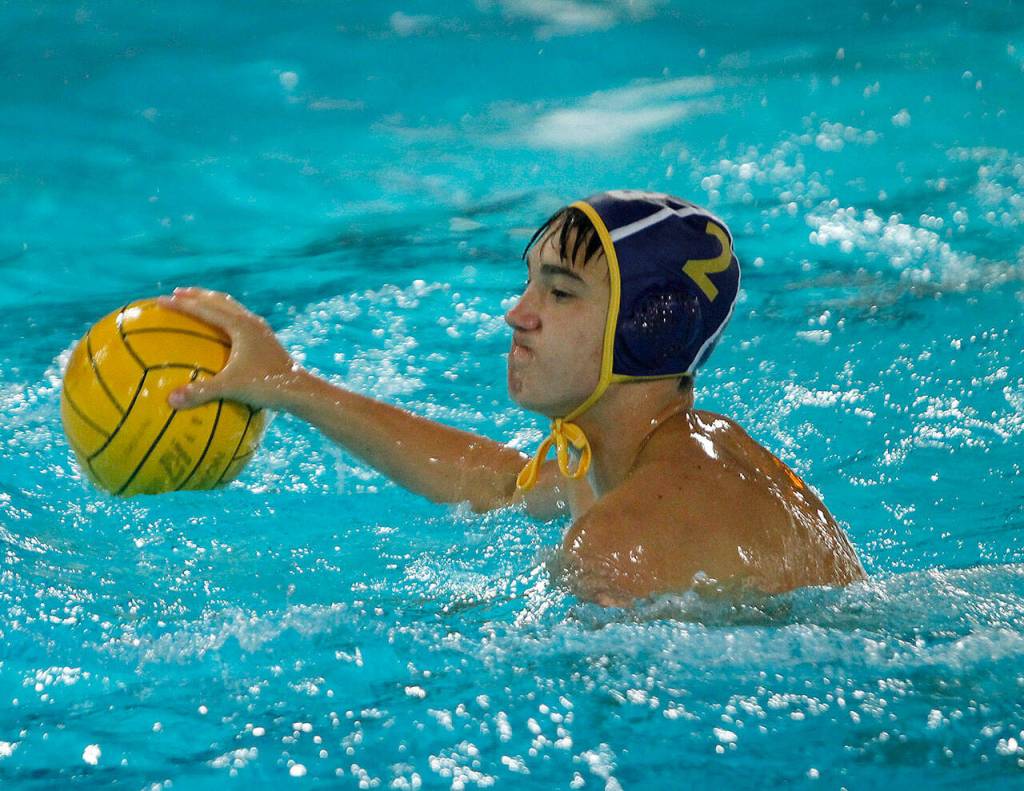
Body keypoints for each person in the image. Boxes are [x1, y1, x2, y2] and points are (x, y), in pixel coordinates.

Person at [160, 190, 865, 606]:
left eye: (559, 292)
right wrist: (288, 384)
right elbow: (497, 482)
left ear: (650, 326)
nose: (517, 313)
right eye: (529, 282)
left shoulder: (620, 539)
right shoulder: (648, 455)